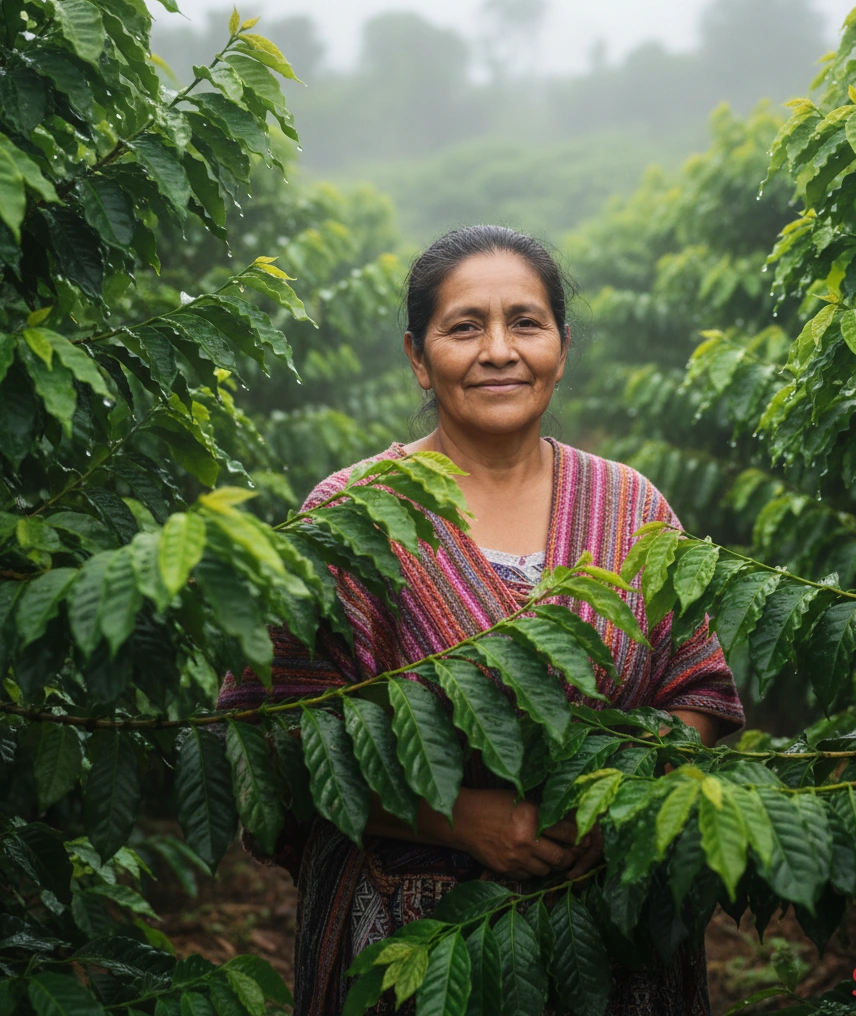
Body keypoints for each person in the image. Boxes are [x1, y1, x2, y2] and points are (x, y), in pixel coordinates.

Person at [218, 225, 745, 1015]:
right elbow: (276, 733)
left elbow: (699, 689)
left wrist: (614, 797)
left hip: (612, 931)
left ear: (562, 348)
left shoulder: (631, 505)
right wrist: (460, 820)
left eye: (525, 323)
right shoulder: (353, 514)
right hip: (407, 940)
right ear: (416, 356)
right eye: (465, 327)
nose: (499, 350)